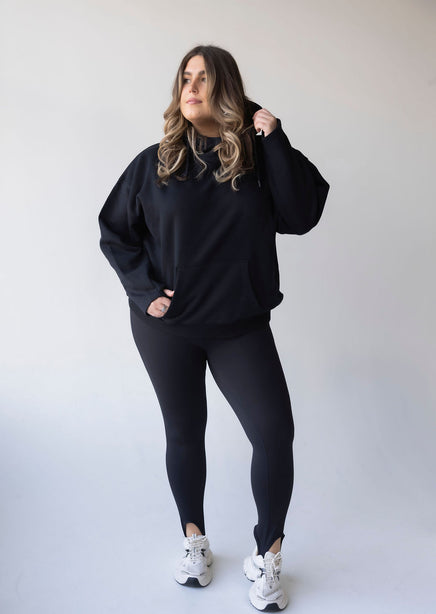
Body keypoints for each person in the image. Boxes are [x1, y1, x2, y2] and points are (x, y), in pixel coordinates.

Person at [98, 44, 330, 611]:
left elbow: (301, 215)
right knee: (185, 432)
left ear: (226, 87)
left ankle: (268, 555)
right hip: (167, 329)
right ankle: (194, 541)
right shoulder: (155, 163)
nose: (191, 86)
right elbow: (114, 232)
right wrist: (145, 293)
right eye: (185, 77)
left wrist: (272, 136)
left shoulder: (257, 161)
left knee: (273, 433)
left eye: (204, 78)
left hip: (239, 326)